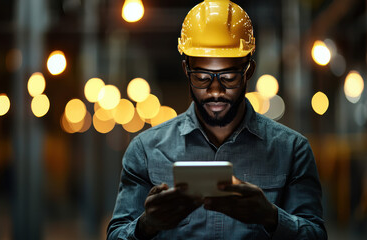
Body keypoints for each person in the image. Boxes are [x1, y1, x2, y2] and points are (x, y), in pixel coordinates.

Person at [107, 0, 327, 239]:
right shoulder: (145, 151)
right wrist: (146, 225)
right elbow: (117, 235)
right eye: (201, 77)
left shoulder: (292, 150)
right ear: (185, 70)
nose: (214, 90)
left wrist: (271, 217)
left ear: (249, 71)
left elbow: (315, 235)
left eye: (228, 77)